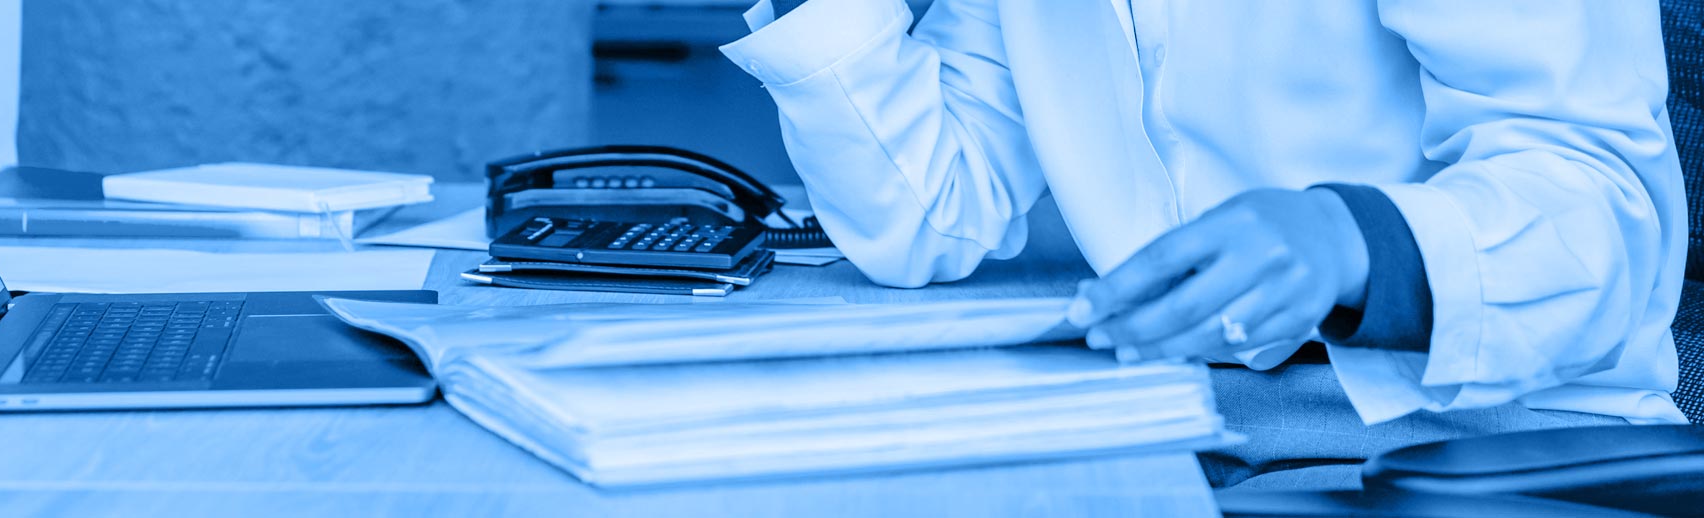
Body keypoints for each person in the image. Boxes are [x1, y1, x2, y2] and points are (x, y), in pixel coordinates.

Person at [722, 0, 1688, 489]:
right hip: (1182, 430)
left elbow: (1605, 206)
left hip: (1484, 444)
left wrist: (1352, 240)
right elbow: (929, 217)